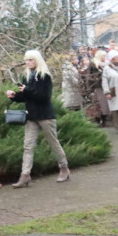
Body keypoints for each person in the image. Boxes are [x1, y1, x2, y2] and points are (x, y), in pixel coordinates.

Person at [6, 49, 70, 188]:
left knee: (53, 143)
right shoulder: (26, 76)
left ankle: (64, 168)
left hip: (45, 115)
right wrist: (15, 96)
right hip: (31, 116)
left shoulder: (45, 76)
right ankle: (25, 175)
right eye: (26, 60)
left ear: (37, 60)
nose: (28, 62)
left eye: (30, 60)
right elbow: (26, 97)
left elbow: (44, 97)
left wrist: (27, 90)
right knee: (28, 146)